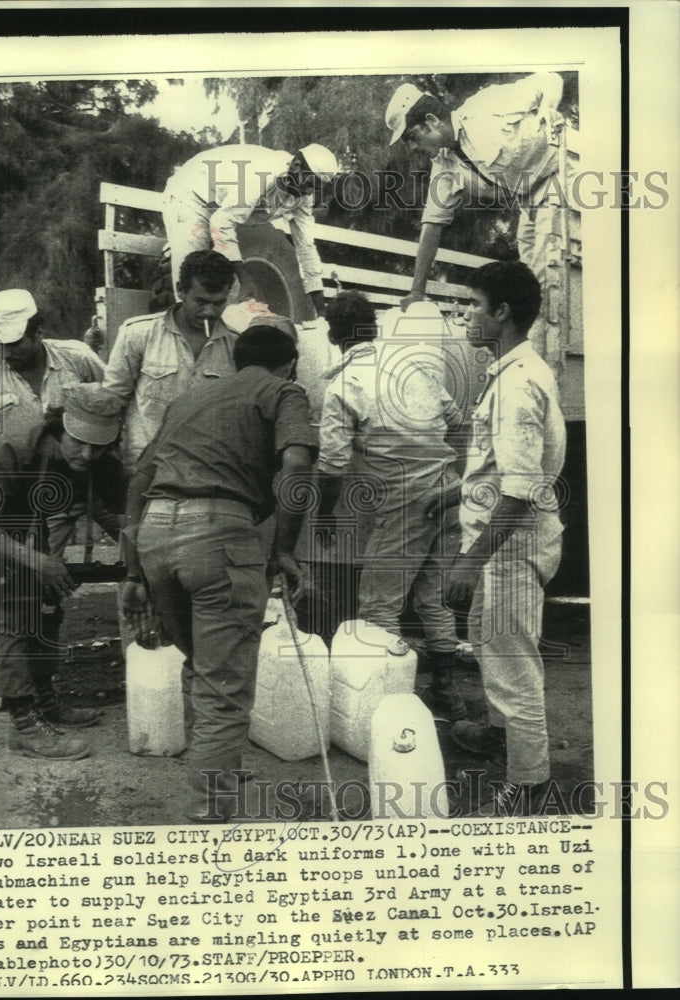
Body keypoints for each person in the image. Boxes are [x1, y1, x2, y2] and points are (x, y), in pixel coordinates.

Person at [122, 326, 317, 822]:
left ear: (234, 361)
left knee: (202, 662)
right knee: (223, 689)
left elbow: (140, 478)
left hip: (156, 533)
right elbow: (297, 468)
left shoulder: (191, 397)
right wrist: (285, 548)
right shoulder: (285, 391)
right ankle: (209, 811)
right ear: (289, 364)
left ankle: (215, 764)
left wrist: (133, 570)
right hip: (219, 536)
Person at [445, 261, 566, 814]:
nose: (466, 314)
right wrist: (452, 499)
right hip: (502, 544)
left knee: (513, 665)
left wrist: (470, 563)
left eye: (474, 304)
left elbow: (518, 491)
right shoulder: (513, 370)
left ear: (502, 313)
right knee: (489, 645)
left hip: (509, 548)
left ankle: (531, 782)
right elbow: (499, 471)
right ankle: (501, 736)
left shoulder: (518, 383)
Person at [313, 291, 467, 720]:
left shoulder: (344, 385)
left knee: (379, 606)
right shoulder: (411, 367)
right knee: (434, 599)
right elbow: (458, 423)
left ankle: (389, 705)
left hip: (404, 506)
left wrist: (324, 515)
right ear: (375, 328)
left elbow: (332, 465)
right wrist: (451, 479)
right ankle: (446, 690)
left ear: (332, 336)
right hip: (449, 495)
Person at [0, 384, 128, 760]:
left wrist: (134, 555)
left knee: (45, 607)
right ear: (62, 428)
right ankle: (24, 726)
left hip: (27, 523)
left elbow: (108, 507)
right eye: (79, 443)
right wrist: (36, 561)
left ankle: (44, 701)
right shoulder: (14, 444)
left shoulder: (98, 459)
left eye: (98, 446)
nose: (87, 454)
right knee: (7, 618)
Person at [385, 74, 568, 349]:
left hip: (562, 173)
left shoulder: (485, 105)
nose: (412, 147)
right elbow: (432, 223)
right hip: (529, 200)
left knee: (545, 281)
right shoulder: (444, 165)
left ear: (432, 122)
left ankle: (543, 367)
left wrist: (548, 119)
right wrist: (417, 292)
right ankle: (529, 358)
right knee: (529, 286)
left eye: (411, 137)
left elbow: (551, 80)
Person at [162, 143, 338, 318]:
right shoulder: (262, 172)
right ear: (296, 166)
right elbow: (221, 222)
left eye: (315, 189)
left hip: (222, 207)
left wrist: (321, 311)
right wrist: (244, 279)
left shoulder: (303, 195)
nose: (309, 193)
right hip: (192, 195)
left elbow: (306, 247)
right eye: (309, 184)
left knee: (228, 290)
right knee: (194, 280)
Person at [103, 250, 239, 473]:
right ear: (180, 291)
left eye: (219, 303)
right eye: (201, 301)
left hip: (206, 473)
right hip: (145, 472)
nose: (209, 312)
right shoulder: (137, 333)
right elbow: (113, 401)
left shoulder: (236, 346)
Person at [0, 289, 106, 456]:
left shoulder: (78, 357)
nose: (5, 354)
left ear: (39, 333)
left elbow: (112, 400)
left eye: (14, 344)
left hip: (79, 462)